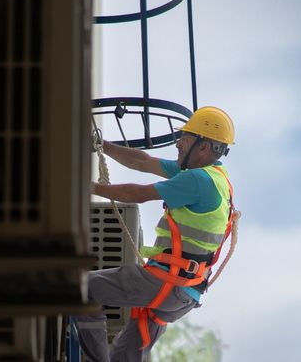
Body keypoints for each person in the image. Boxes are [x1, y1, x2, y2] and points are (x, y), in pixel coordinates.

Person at [76, 106, 236, 362]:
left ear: (204, 147)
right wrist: (102, 145)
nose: (178, 143)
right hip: (185, 292)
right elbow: (143, 162)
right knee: (124, 356)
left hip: (167, 282)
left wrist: (85, 186)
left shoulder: (197, 181)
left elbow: (137, 194)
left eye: (185, 136)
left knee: (84, 288)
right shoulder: (213, 178)